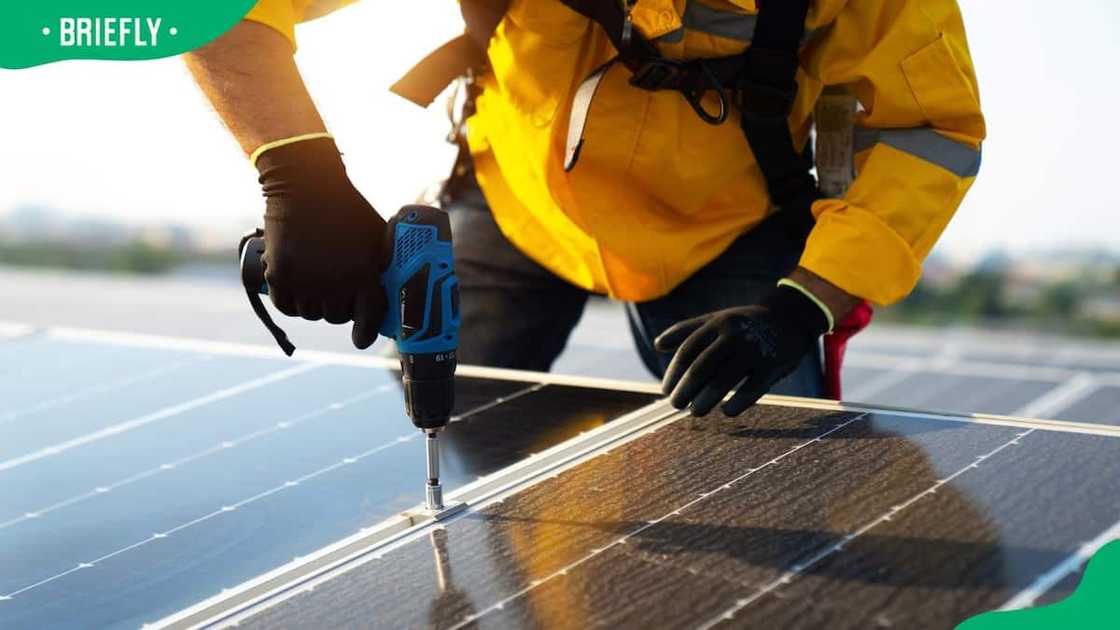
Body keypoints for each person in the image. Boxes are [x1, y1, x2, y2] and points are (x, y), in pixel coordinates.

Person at [185, 0, 984, 417]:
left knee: (776, 454)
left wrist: (806, 302)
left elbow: (923, 130)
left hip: (722, 227)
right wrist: (299, 175)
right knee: (451, 424)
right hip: (518, 197)